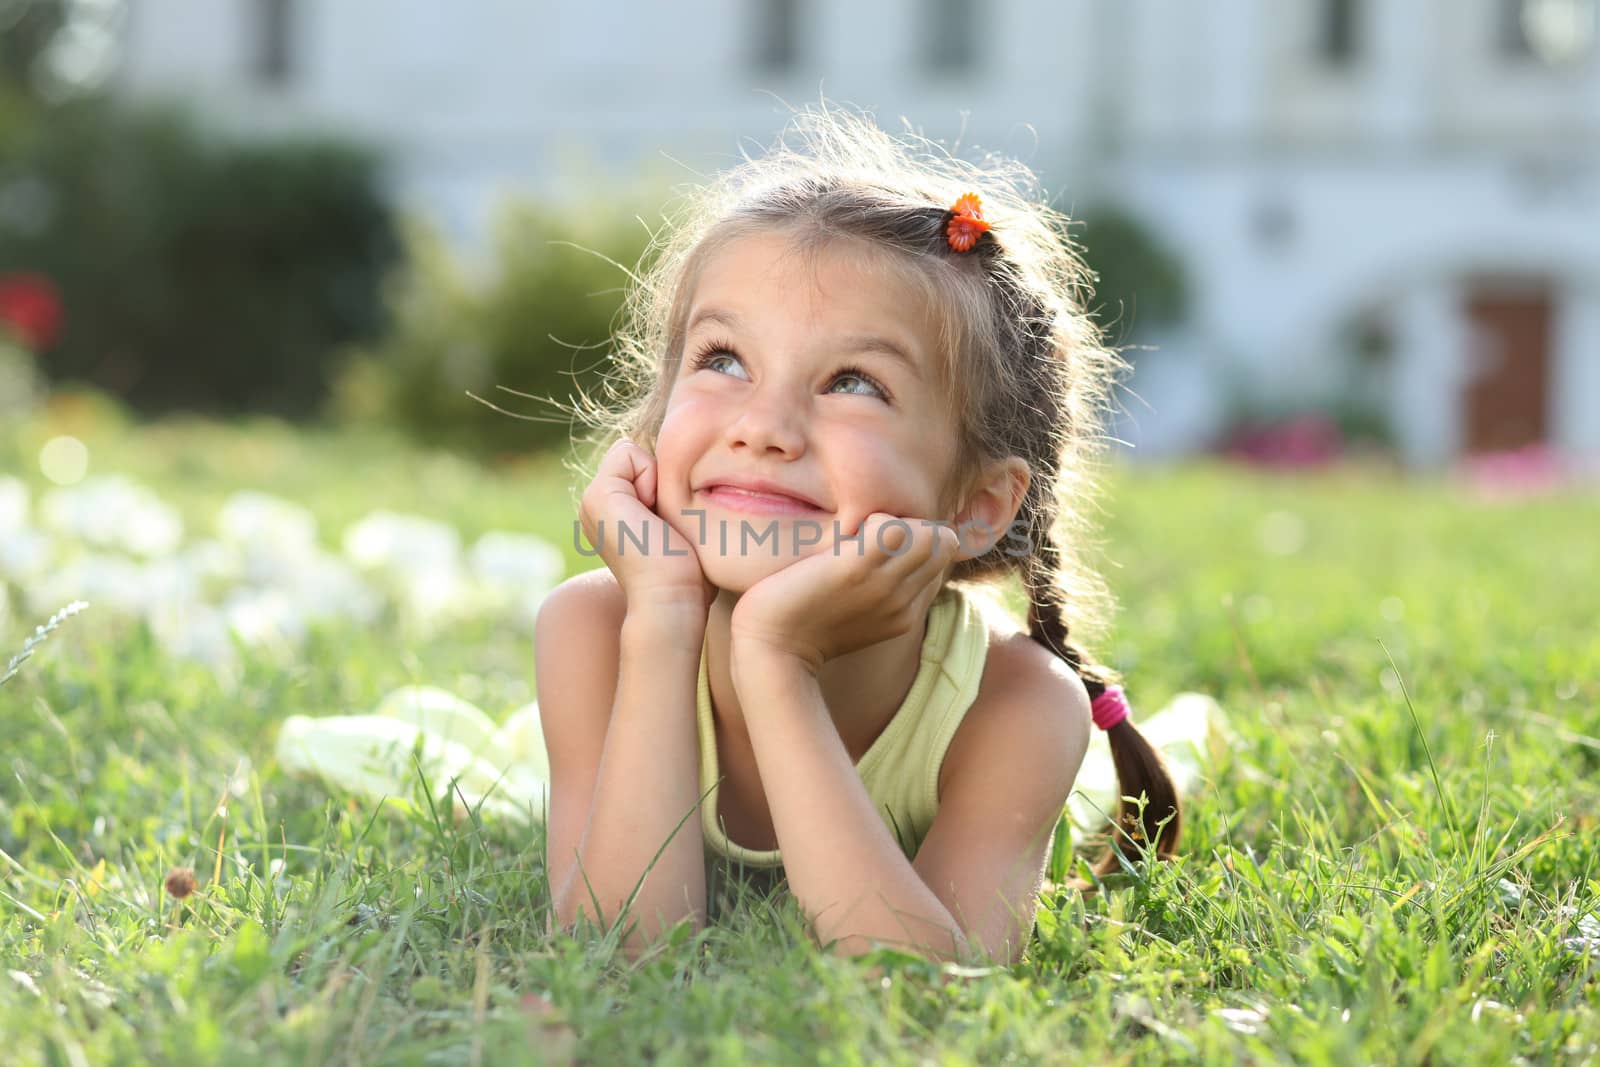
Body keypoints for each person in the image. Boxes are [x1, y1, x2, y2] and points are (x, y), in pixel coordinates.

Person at [534, 104, 1180, 965]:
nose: (764, 426)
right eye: (723, 360)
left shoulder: (1013, 706)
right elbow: (613, 955)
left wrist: (776, 663)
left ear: (978, 502)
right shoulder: (597, 634)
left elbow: (923, 986)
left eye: (853, 382)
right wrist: (660, 622)